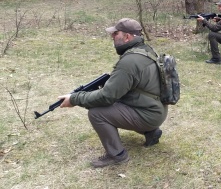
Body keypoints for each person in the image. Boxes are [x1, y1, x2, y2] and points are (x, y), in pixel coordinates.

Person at [58, 18, 168, 168]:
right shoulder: (146, 50)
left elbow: (106, 96)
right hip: (156, 109)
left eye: (115, 34)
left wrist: (75, 99)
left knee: (97, 113)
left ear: (127, 36)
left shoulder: (129, 61)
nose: (112, 37)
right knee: (113, 104)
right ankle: (151, 133)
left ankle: (117, 155)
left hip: (149, 114)